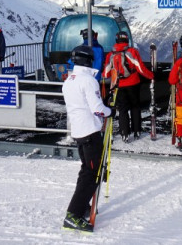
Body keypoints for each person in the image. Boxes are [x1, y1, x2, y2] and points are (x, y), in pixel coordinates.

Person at [62, 45, 112, 232]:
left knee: (86, 172)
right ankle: (73, 215)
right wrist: (109, 110)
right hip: (90, 132)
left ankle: (81, 207)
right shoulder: (88, 81)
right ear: (88, 60)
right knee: (91, 175)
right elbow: (97, 109)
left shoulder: (69, 80)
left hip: (78, 131)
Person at [103, 31, 153, 142]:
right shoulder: (132, 52)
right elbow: (140, 68)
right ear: (126, 40)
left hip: (119, 85)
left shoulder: (111, 54)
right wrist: (151, 76)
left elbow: (106, 73)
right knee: (135, 107)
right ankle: (137, 130)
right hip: (133, 83)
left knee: (122, 109)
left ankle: (124, 133)